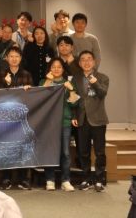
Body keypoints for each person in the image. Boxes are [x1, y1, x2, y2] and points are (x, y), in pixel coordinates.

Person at [0, 45, 33, 190]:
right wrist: (7, 84)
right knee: (6, 146)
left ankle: (24, 178)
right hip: (5, 117)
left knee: (23, 146)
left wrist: (28, 91)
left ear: (21, 58)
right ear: (6, 58)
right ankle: (6, 177)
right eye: (11, 56)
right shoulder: (0, 75)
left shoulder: (27, 74)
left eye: (17, 56)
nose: (14, 59)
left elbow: (33, 96)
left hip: (22, 117)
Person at [72, 50, 109, 192]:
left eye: (89, 59)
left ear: (94, 62)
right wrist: (74, 116)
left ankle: (99, 180)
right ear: (79, 63)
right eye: (83, 59)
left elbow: (102, 94)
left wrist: (95, 83)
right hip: (82, 120)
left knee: (100, 152)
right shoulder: (76, 78)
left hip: (98, 119)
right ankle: (86, 179)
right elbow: (73, 99)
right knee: (83, 152)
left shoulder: (103, 77)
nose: (86, 62)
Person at [40, 57, 78, 192]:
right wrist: (48, 81)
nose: (56, 69)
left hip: (64, 121)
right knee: (50, 150)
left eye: (59, 67)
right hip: (48, 122)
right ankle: (49, 180)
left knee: (65, 153)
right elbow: (41, 98)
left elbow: (74, 103)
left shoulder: (68, 83)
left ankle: (65, 180)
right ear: (49, 68)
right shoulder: (44, 81)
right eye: (53, 66)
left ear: (63, 69)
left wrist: (71, 89)